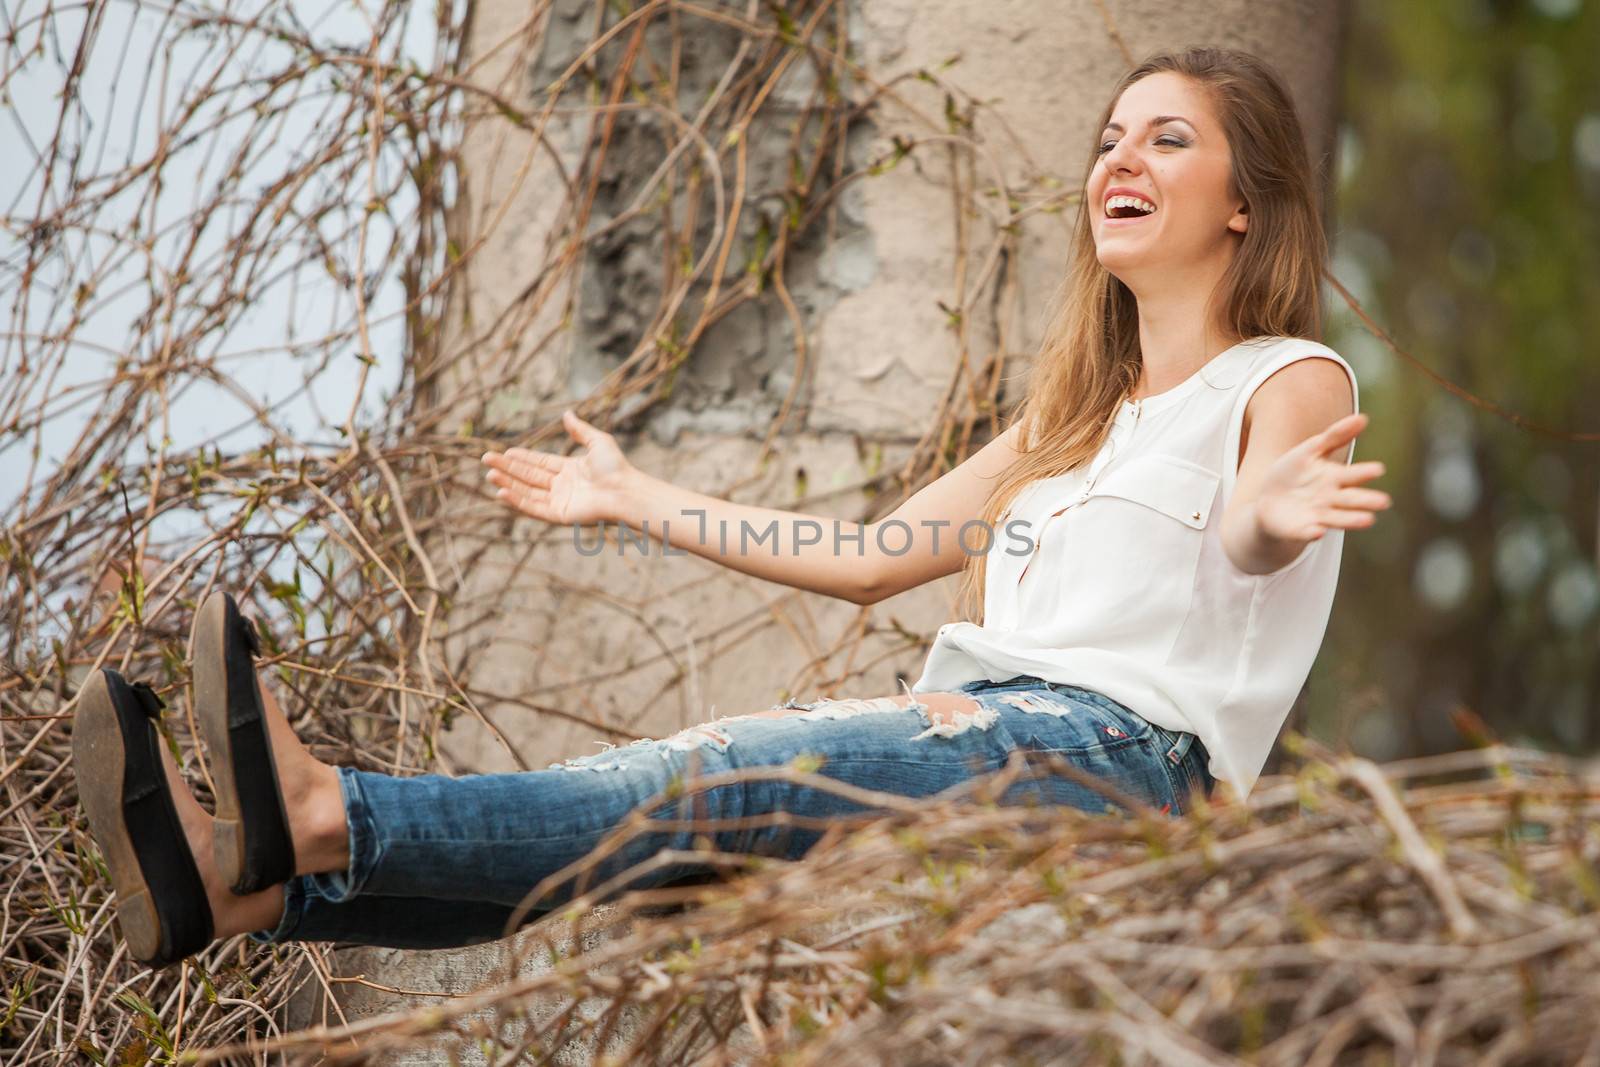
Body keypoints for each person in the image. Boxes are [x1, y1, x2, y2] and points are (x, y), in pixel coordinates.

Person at [73, 46, 1391, 969]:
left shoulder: (1286, 378)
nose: (1124, 155)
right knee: (673, 834)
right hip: (1000, 735)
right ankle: (253, 897)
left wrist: (1266, 514)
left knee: (709, 781)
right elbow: (871, 558)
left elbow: (1252, 534)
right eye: (1111, 136)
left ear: (1246, 203)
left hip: (1118, 765)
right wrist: (632, 496)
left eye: (1171, 139)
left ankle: (319, 813)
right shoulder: (1065, 432)